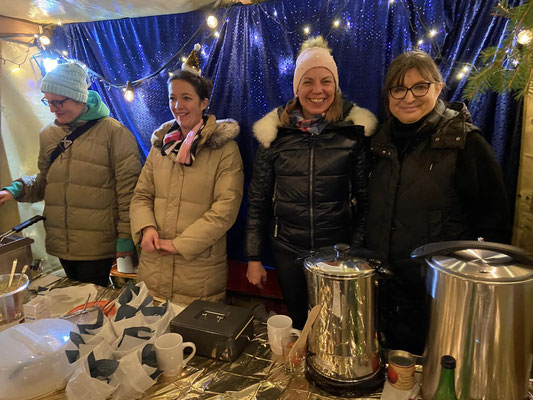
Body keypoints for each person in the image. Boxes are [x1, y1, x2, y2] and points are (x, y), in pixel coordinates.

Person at [366, 50, 511, 354]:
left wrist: (474, 286)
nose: (408, 97)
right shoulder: (379, 143)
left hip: (439, 293)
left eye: (420, 86)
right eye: (398, 88)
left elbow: (492, 226)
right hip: (384, 290)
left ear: (438, 87)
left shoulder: (466, 143)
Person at [245, 37, 377, 329]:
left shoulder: (353, 133)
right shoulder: (275, 135)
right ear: (296, 87)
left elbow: (367, 202)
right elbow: (258, 201)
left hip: (337, 254)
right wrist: (254, 256)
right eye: (308, 81)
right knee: (300, 323)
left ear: (336, 85)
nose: (318, 90)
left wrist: (353, 253)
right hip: (288, 251)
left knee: (337, 326)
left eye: (326, 81)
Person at [0, 62, 141, 286]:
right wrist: (16, 189)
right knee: (75, 302)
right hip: (61, 241)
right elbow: (45, 182)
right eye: (48, 101)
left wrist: (126, 238)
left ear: (78, 96)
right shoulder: (48, 135)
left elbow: (130, 193)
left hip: (98, 245)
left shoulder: (114, 133)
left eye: (58, 101)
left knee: (94, 306)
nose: (52, 108)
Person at [129, 49, 244, 304]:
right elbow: (141, 195)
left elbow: (225, 210)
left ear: (204, 103)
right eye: (173, 98)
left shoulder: (225, 150)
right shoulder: (160, 146)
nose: (178, 106)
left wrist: (180, 245)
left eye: (186, 98)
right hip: (153, 268)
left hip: (198, 271)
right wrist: (146, 227)